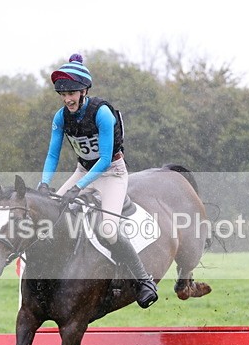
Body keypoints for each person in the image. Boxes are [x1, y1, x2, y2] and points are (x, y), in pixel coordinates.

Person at [36, 54, 158, 308]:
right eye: (63, 94)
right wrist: (44, 184)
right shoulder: (60, 117)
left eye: (72, 93)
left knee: (108, 230)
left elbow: (104, 160)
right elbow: (52, 154)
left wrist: (78, 189)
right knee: (54, 215)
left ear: (84, 91)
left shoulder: (102, 112)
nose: (67, 99)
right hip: (83, 171)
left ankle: (143, 280)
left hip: (112, 172)